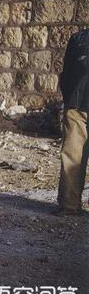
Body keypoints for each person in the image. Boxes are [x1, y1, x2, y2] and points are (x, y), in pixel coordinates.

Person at [56, 29, 89, 216]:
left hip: (76, 102)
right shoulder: (77, 38)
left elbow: (66, 73)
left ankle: (69, 206)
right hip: (76, 106)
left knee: (72, 156)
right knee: (72, 156)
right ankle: (69, 206)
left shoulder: (78, 39)